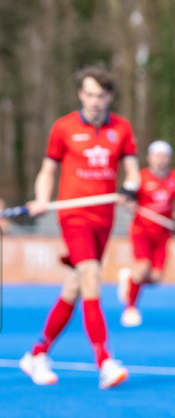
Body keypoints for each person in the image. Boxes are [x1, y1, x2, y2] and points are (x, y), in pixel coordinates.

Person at [20, 65, 140, 389]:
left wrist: (130, 190)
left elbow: (132, 172)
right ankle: (104, 361)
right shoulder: (63, 128)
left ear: (109, 96)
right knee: (90, 275)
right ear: (80, 95)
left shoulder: (122, 129)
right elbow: (47, 171)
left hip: (104, 220)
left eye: (100, 95)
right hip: (74, 218)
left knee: (73, 287)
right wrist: (42, 198)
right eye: (88, 94)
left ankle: (37, 353)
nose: (94, 101)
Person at [116, 139, 175, 327]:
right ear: (149, 158)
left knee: (156, 278)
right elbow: (125, 198)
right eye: (157, 155)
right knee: (142, 268)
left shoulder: (173, 178)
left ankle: (130, 280)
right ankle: (130, 308)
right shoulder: (140, 178)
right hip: (142, 231)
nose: (160, 160)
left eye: (164, 156)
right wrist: (127, 202)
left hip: (162, 233)